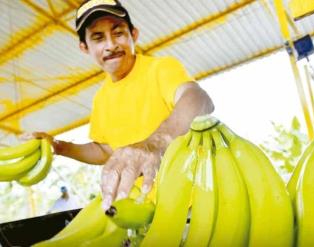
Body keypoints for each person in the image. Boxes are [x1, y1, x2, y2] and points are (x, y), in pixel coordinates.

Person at [29, 0, 214, 211]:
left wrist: (155, 143)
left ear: (133, 34)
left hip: (195, 204)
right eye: (98, 38)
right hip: (142, 210)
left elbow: (199, 99)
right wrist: (59, 147)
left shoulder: (161, 68)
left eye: (118, 33)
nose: (110, 44)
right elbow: (104, 149)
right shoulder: (101, 98)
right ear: (84, 47)